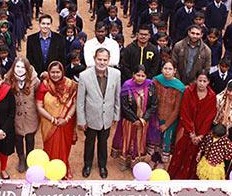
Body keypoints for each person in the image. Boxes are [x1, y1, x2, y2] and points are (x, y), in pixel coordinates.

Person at [77, 48, 121, 179]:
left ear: (109, 60)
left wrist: (116, 115)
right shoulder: (84, 75)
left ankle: (102, 166)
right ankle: (88, 165)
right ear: (94, 58)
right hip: (90, 118)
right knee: (89, 142)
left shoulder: (116, 74)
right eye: (99, 59)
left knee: (103, 142)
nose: (102, 62)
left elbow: (117, 96)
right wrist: (81, 120)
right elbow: (80, 101)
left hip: (107, 117)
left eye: (105, 60)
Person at [167, 70, 217, 180]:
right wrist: (191, 133)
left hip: (201, 133)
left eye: (204, 81)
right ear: (196, 80)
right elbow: (184, 112)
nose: (202, 83)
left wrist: (200, 135)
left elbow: (209, 117)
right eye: (200, 80)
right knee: (179, 154)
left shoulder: (212, 96)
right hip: (185, 130)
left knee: (194, 157)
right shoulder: (188, 92)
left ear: (208, 82)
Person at [35, 61, 78, 179]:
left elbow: (74, 103)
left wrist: (67, 118)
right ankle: (50, 168)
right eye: (52, 72)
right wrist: (53, 119)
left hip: (66, 123)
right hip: (49, 123)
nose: (55, 75)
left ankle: (63, 166)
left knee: (65, 146)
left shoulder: (71, 85)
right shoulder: (44, 85)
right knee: (50, 146)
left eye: (57, 72)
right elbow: (39, 106)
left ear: (62, 72)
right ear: (48, 72)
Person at [112, 65, 157, 171]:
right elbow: (124, 106)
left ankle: (136, 162)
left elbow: (154, 104)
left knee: (140, 140)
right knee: (127, 140)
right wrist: (134, 120)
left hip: (143, 121)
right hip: (129, 121)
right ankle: (124, 161)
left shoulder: (150, 85)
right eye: (138, 75)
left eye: (143, 75)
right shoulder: (127, 85)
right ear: (133, 75)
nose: (140, 78)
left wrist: (143, 119)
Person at [4, 57, 40, 173]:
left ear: (27, 68)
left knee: (30, 138)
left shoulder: (34, 79)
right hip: (15, 116)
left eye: (23, 67)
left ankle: (30, 159)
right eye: (17, 66)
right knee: (18, 138)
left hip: (30, 114)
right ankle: (21, 159)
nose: (20, 69)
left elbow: (39, 95)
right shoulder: (8, 79)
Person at [151, 61, 185, 165]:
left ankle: (162, 162)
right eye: (165, 68)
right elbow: (152, 101)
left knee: (166, 141)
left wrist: (166, 124)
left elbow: (177, 109)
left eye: (170, 69)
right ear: (162, 69)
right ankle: (153, 159)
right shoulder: (156, 81)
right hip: (156, 117)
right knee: (154, 140)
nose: (167, 71)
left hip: (170, 120)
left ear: (175, 71)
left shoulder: (179, 87)